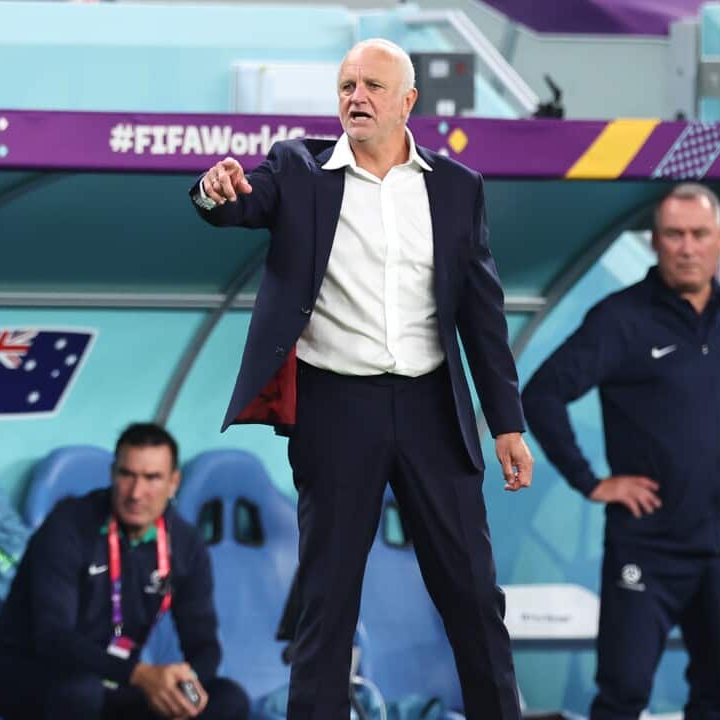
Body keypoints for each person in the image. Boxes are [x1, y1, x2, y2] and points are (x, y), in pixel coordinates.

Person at [189, 38, 533, 720]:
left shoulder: (457, 188)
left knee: (472, 594)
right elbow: (240, 202)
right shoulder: (299, 166)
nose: (356, 97)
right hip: (335, 406)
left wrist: (508, 425)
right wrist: (213, 190)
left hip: (434, 406)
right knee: (327, 596)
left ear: (408, 101)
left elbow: (482, 317)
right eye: (347, 85)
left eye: (373, 86)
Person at [521, 183, 720, 720]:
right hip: (648, 549)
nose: (687, 247)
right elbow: (542, 393)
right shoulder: (621, 319)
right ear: (655, 242)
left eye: (699, 234)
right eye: (674, 235)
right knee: (624, 694)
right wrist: (590, 481)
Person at [0, 423, 249, 720]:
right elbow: (53, 637)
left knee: (227, 699)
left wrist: (185, 682)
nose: (136, 493)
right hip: (29, 675)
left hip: (116, 679)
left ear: (174, 483)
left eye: (152, 478)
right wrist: (139, 674)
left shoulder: (185, 544)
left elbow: (203, 642)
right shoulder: (68, 525)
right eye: (127, 475)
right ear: (112, 474)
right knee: (81, 690)